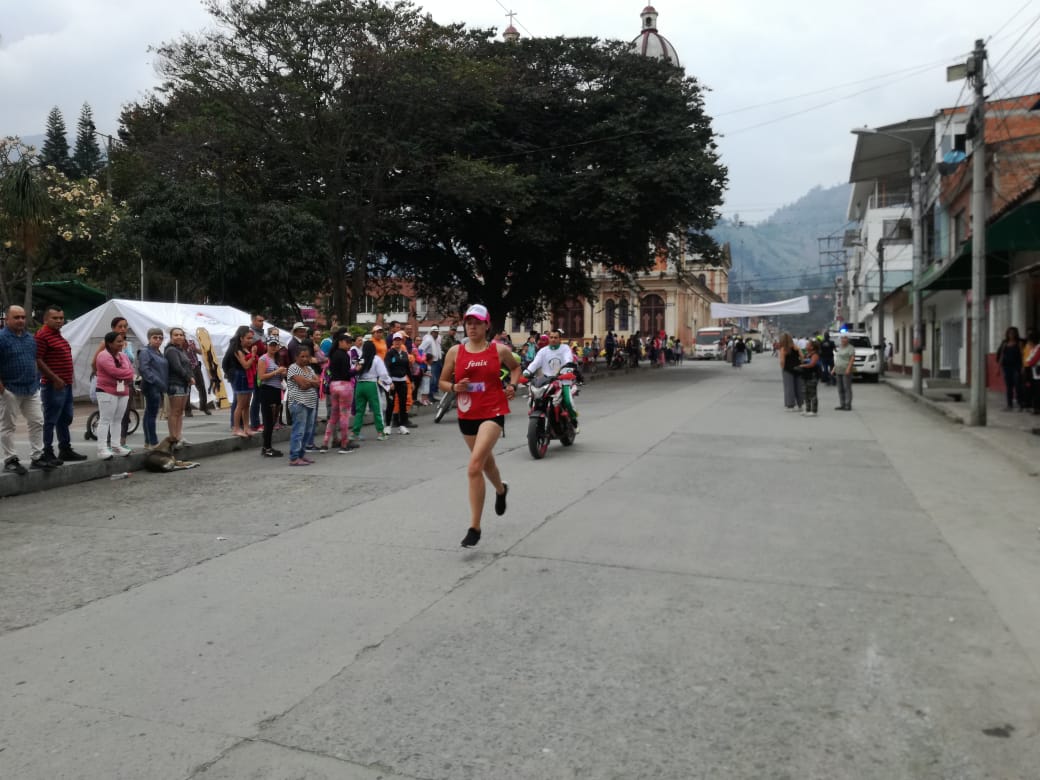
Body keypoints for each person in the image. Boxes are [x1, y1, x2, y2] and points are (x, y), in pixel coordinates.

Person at [439, 304, 520, 548]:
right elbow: (442, 381)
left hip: (493, 411)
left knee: (474, 466)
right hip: (467, 413)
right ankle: (501, 489)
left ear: (487, 325)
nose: (472, 326)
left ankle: (474, 527)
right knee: (486, 462)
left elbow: (515, 369)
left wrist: (512, 387)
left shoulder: (499, 350)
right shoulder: (455, 352)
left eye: (477, 322)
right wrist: (454, 388)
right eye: (468, 322)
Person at [0, 305, 54, 473]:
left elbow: (34, 360)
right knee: (8, 426)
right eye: (16, 317)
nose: (21, 320)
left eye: (23, 317)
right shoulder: (1, 338)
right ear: (6, 319)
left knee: (37, 421)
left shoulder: (30, 338)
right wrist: (2, 390)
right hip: (10, 389)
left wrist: (36, 381)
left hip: (31, 388)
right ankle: (10, 459)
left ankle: (37, 457)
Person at [35, 305, 86, 465]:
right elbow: (38, 359)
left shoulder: (58, 335)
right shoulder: (42, 335)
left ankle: (65, 449)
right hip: (53, 385)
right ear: (45, 319)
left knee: (65, 418)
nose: (59, 321)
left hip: (66, 384)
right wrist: (54, 378)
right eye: (55, 318)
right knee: (50, 420)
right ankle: (47, 452)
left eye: (61, 318)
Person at [91, 316, 137, 447]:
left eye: (125, 326)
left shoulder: (128, 345)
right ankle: (105, 445)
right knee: (108, 417)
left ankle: (120, 442)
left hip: (125, 384)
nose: (123, 329)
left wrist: (128, 375)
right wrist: (101, 375)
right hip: (110, 384)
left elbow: (130, 364)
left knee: (123, 415)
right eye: (120, 326)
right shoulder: (105, 345)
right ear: (113, 328)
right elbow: (95, 362)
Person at [523, 328, 581, 429]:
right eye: (551, 337)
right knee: (533, 398)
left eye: (556, 337)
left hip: (563, 379)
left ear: (560, 339)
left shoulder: (565, 348)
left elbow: (568, 358)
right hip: (547, 381)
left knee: (568, 401)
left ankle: (573, 421)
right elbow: (536, 362)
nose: (553, 339)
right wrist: (528, 371)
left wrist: (568, 368)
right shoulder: (543, 351)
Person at [321, 332, 359, 453]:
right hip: (345, 386)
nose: (349, 345)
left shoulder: (332, 354)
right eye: (347, 342)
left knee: (333, 416)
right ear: (340, 342)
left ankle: (325, 443)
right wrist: (355, 370)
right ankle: (344, 444)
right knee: (344, 416)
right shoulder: (344, 355)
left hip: (333, 385)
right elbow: (346, 373)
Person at [350, 338, 391, 443]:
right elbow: (383, 374)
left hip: (359, 385)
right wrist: (389, 382)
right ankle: (380, 433)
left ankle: (355, 433)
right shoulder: (376, 359)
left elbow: (354, 369)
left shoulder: (359, 358)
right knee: (377, 409)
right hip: (371, 384)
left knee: (359, 411)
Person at [286, 344, 320, 466]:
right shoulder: (293, 368)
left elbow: (318, 382)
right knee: (299, 430)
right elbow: (302, 385)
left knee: (308, 431)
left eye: (307, 356)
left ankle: (301, 454)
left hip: (310, 403)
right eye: (302, 356)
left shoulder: (309, 369)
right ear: (296, 357)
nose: (305, 359)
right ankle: (294, 457)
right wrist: (312, 382)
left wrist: (310, 382)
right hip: (299, 403)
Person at [137, 328, 169, 450]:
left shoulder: (158, 352)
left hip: (158, 386)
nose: (158, 340)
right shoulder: (145, 351)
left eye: (160, 338)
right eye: (155, 337)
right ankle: (153, 442)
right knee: (151, 414)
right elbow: (144, 369)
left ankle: (148, 441)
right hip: (151, 386)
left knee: (148, 414)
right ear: (149, 338)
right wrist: (157, 382)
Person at [164, 327, 195, 448]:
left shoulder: (181, 350)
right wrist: (189, 377)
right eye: (176, 335)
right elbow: (177, 367)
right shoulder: (171, 350)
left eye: (181, 335)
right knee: (175, 412)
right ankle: (173, 437)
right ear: (171, 337)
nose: (179, 337)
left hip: (184, 384)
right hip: (175, 383)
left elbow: (188, 365)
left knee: (180, 412)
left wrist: (190, 376)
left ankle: (179, 436)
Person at [256, 337, 287, 457]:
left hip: (276, 390)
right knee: (268, 420)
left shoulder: (277, 359)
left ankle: (267, 446)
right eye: (271, 345)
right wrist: (277, 372)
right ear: (267, 346)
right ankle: (267, 448)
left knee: (273, 420)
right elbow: (261, 377)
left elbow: (278, 376)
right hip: (267, 390)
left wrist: (282, 373)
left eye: (276, 345)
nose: (274, 347)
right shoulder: (263, 359)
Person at [226, 325, 257, 437]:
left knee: (247, 404)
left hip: (248, 377)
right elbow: (246, 365)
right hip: (240, 377)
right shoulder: (237, 350)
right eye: (248, 338)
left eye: (251, 338)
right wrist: (253, 355)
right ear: (241, 338)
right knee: (240, 404)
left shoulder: (245, 349)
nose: (250, 340)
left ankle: (246, 427)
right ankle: (236, 428)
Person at [386, 331, 416, 434]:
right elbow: (387, 368)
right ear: (393, 342)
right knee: (391, 404)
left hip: (402, 381)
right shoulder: (390, 353)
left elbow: (407, 368)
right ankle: (387, 426)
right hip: (392, 383)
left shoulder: (404, 354)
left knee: (403, 404)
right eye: (395, 340)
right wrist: (389, 382)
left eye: (399, 340)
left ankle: (402, 425)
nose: (397, 342)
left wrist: (411, 381)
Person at [996, 326, 1024, 411]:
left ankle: (1020, 404)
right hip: (1006, 367)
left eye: (1013, 333)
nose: (1011, 335)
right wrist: (998, 368)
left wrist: (1023, 367)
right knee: (1009, 387)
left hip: (1016, 367)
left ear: (1016, 334)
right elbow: (1001, 356)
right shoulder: (1005, 343)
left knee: (1017, 385)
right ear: (1007, 334)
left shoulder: (1019, 343)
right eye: (1009, 333)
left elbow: (1023, 355)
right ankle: (1009, 405)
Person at [183, 333, 211, 416]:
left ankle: (204, 407)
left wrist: (195, 349)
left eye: (182, 335)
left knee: (201, 387)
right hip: (185, 368)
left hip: (195, 367)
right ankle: (187, 410)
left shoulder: (191, 342)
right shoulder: (176, 346)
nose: (181, 337)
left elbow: (201, 352)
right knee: (187, 389)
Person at [779, 333, 803, 412]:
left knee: (789, 388)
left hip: (788, 369)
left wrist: (783, 368)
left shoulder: (783, 349)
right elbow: (802, 357)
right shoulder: (796, 348)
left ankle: (790, 405)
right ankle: (800, 404)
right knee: (799, 387)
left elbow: (782, 361)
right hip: (798, 368)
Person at [420, 325, 443, 402]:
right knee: (431, 380)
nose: (437, 334)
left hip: (436, 361)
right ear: (432, 332)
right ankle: (429, 396)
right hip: (431, 362)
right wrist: (424, 359)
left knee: (435, 380)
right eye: (435, 333)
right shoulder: (428, 340)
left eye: (437, 333)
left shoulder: (435, 340)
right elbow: (420, 349)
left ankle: (431, 395)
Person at [833, 334, 855, 411]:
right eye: (842, 338)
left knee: (847, 388)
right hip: (838, 370)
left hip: (846, 370)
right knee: (840, 388)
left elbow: (852, 359)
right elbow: (838, 359)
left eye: (845, 338)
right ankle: (842, 404)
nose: (843, 340)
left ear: (848, 340)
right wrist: (834, 369)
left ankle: (848, 405)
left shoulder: (850, 348)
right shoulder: (840, 347)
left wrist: (848, 368)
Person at [799, 341, 821, 417]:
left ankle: (814, 410)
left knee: (812, 393)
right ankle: (807, 409)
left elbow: (812, 364)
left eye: (808, 344)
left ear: (812, 347)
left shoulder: (815, 355)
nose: (806, 345)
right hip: (805, 375)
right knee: (805, 393)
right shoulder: (807, 354)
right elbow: (802, 361)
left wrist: (802, 366)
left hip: (812, 376)